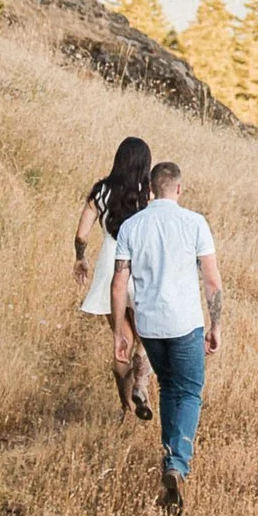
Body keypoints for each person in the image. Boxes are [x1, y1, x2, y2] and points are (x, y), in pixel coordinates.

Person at [110, 159, 222, 516]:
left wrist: (118, 333)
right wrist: (216, 324)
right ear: (178, 190)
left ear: (149, 190)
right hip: (185, 324)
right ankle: (178, 464)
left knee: (169, 387)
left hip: (151, 327)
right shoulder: (194, 223)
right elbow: (212, 280)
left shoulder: (131, 226)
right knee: (189, 392)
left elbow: (118, 285)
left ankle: (170, 460)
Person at [74, 134, 157, 422]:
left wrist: (80, 258)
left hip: (110, 267)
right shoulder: (150, 196)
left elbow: (81, 234)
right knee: (145, 336)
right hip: (141, 267)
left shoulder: (101, 192)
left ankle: (126, 408)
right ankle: (140, 384)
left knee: (121, 339)